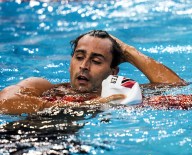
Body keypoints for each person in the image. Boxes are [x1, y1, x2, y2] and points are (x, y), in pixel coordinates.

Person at [0, 30, 188, 115]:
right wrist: (89, 106)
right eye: (79, 57)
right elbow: (5, 102)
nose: (84, 66)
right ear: (71, 63)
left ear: (113, 72)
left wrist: (128, 51)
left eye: (96, 61)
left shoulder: (119, 94)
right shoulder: (43, 88)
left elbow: (176, 87)